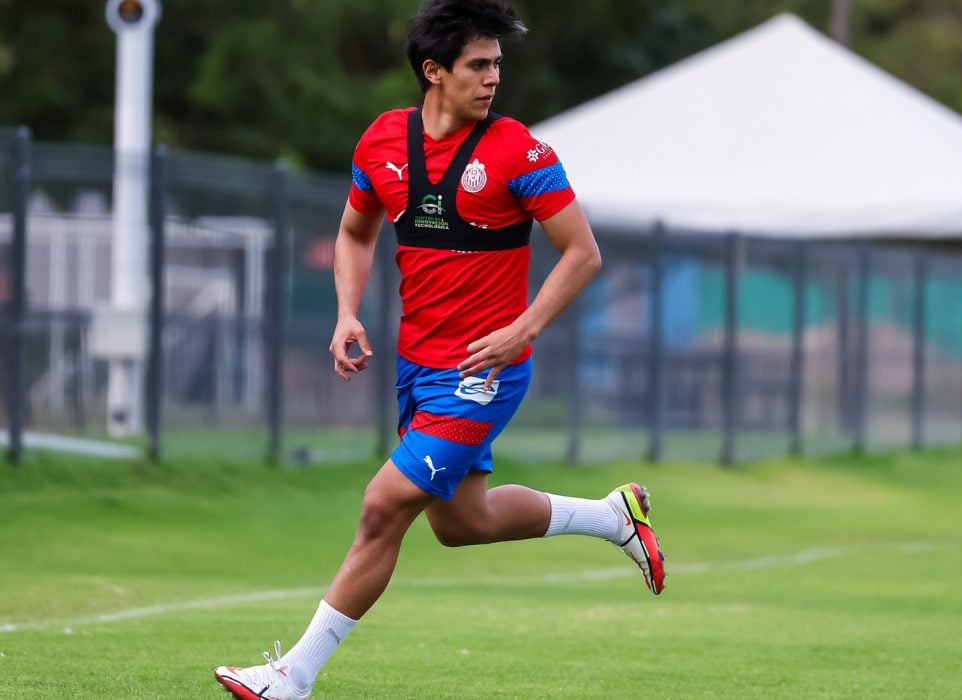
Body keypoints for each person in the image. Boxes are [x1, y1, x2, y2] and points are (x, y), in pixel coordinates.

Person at [213, 1, 665, 697]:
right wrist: (344, 313)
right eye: (477, 66)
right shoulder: (383, 143)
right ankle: (612, 518)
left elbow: (582, 254)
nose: (492, 80)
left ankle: (290, 677)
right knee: (461, 523)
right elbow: (355, 233)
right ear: (434, 72)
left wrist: (525, 328)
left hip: (486, 372)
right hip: (418, 368)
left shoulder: (518, 150)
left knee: (381, 506)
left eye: (496, 66)